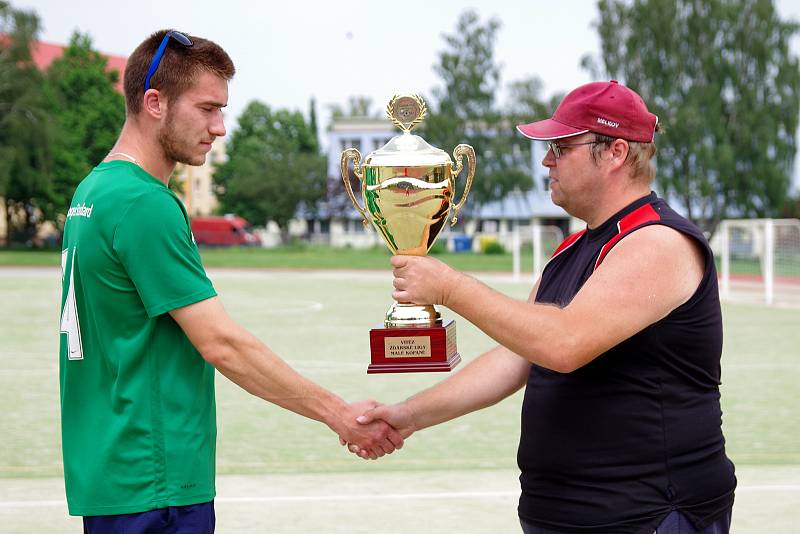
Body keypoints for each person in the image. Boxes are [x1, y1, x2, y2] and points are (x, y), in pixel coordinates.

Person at [58, 29, 401, 533]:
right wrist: (338, 414)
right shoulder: (143, 203)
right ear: (155, 103)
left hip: (110, 473)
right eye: (207, 108)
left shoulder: (93, 190)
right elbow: (222, 344)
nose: (220, 127)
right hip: (155, 478)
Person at [355, 80, 736, 533]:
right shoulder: (575, 248)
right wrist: (408, 416)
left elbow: (563, 343)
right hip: (570, 514)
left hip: (647, 514)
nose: (546, 160)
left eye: (561, 146)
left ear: (615, 152)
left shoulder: (658, 241)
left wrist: (450, 288)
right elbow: (519, 356)